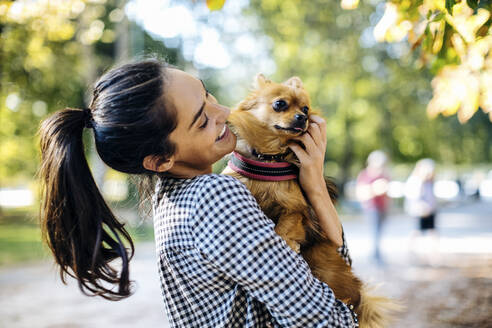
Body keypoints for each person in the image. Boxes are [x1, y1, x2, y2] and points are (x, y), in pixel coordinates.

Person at [38, 59, 357, 327]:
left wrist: (313, 183)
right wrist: (315, 186)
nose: (224, 111)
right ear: (161, 160)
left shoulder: (171, 198)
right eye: (203, 120)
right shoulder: (215, 197)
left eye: (208, 95)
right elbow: (331, 319)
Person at [355, 150, 390, 265]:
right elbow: (360, 193)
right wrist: (375, 189)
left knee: (380, 232)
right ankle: (375, 257)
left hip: (383, 208)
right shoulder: (365, 175)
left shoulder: (384, 175)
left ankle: (377, 254)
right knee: (374, 232)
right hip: (371, 208)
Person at [404, 158, 439, 265]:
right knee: (416, 232)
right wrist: (422, 207)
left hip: (430, 211)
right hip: (419, 212)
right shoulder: (415, 181)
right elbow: (413, 199)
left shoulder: (429, 182)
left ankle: (432, 257)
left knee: (431, 234)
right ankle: (412, 254)